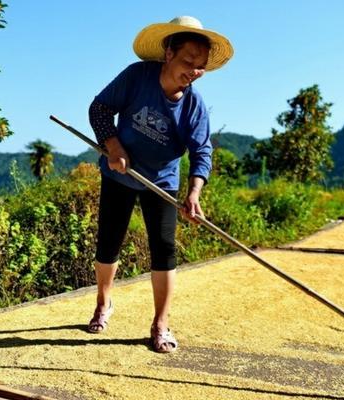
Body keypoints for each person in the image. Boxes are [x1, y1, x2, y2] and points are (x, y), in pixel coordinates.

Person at [87, 16, 233, 353]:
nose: (194, 71)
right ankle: (103, 302)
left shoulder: (194, 105)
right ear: (168, 53)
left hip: (162, 183)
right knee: (109, 242)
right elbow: (100, 109)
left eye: (201, 67)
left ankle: (160, 324)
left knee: (164, 250)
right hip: (120, 173)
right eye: (188, 61)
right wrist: (113, 146)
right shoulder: (137, 77)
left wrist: (194, 192)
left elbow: (201, 151)